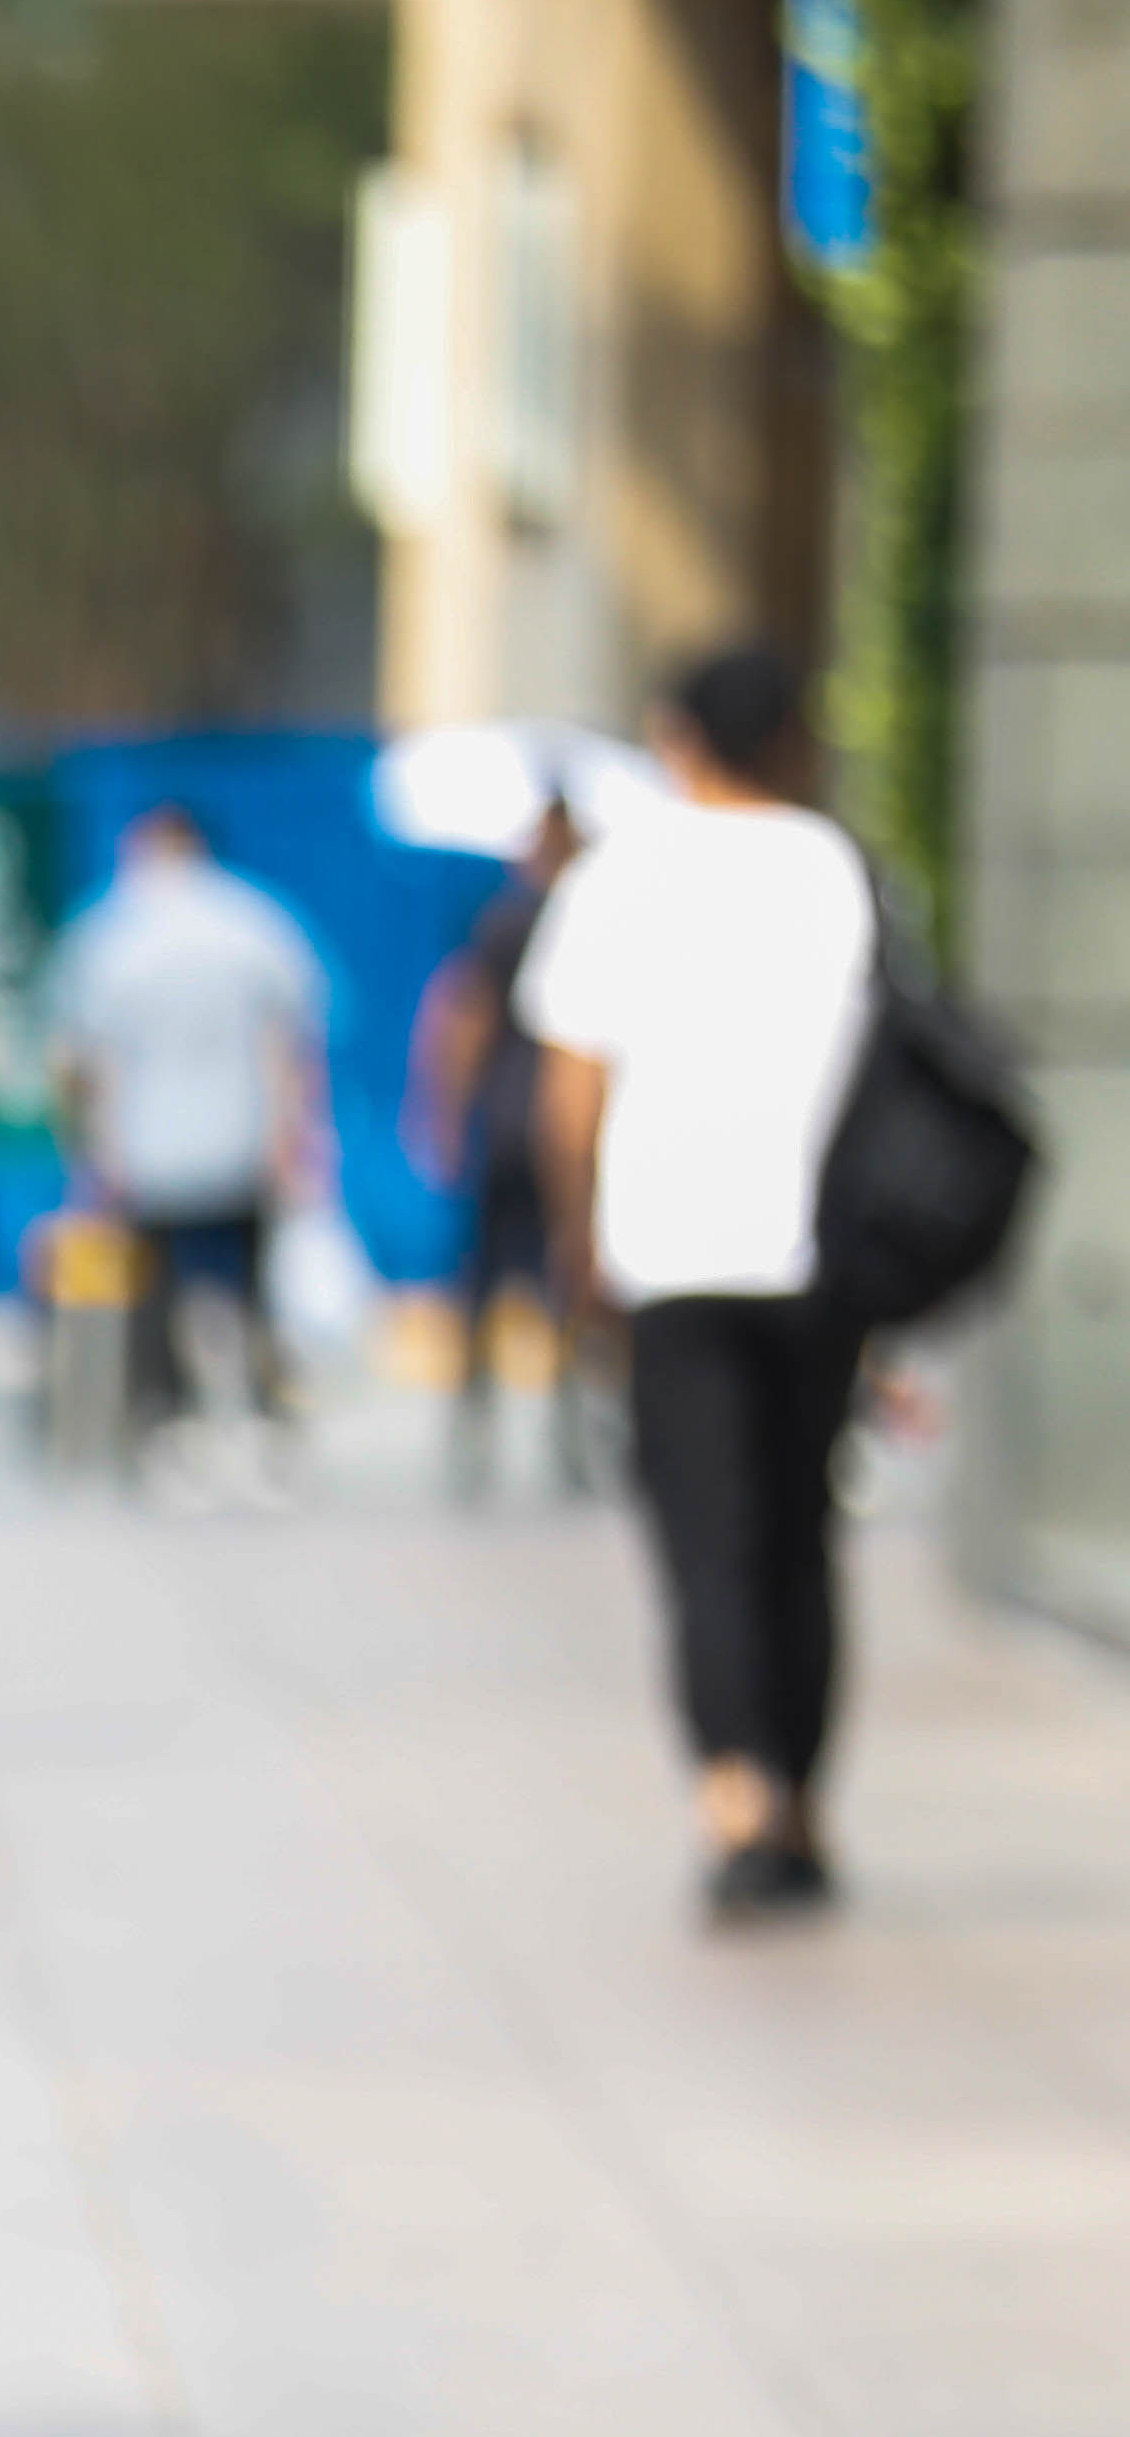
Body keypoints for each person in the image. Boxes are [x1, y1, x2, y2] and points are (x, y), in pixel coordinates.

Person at [516, 645, 885, 1918]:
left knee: (705, 1539)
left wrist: (578, 1238)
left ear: (681, 738)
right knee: (799, 1531)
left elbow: (569, 1090)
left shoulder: (622, 873)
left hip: (667, 1252)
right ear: (789, 734)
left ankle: (735, 1792)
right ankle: (801, 1795)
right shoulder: (836, 868)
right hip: (818, 1256)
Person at [51, 804, 332, 1505]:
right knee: (254, 1292)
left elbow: (87, 1057)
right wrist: (292, 1136)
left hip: (149, 1148)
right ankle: (265, 1431)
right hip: (244, 1138)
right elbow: (290, 1043)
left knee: (156, 1298)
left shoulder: (113, 931)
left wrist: (95, 1148)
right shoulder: (257, 922)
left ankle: (167, 1432)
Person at [412, 792, 595, 1498]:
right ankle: (567, 1425)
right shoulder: (583, 918)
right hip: (564, 1127)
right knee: (565, 1282)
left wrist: (446, 1112)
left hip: (510, 1120)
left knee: (487, 1286)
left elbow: (465, 1017)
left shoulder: (505, 916)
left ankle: (477, 1421)